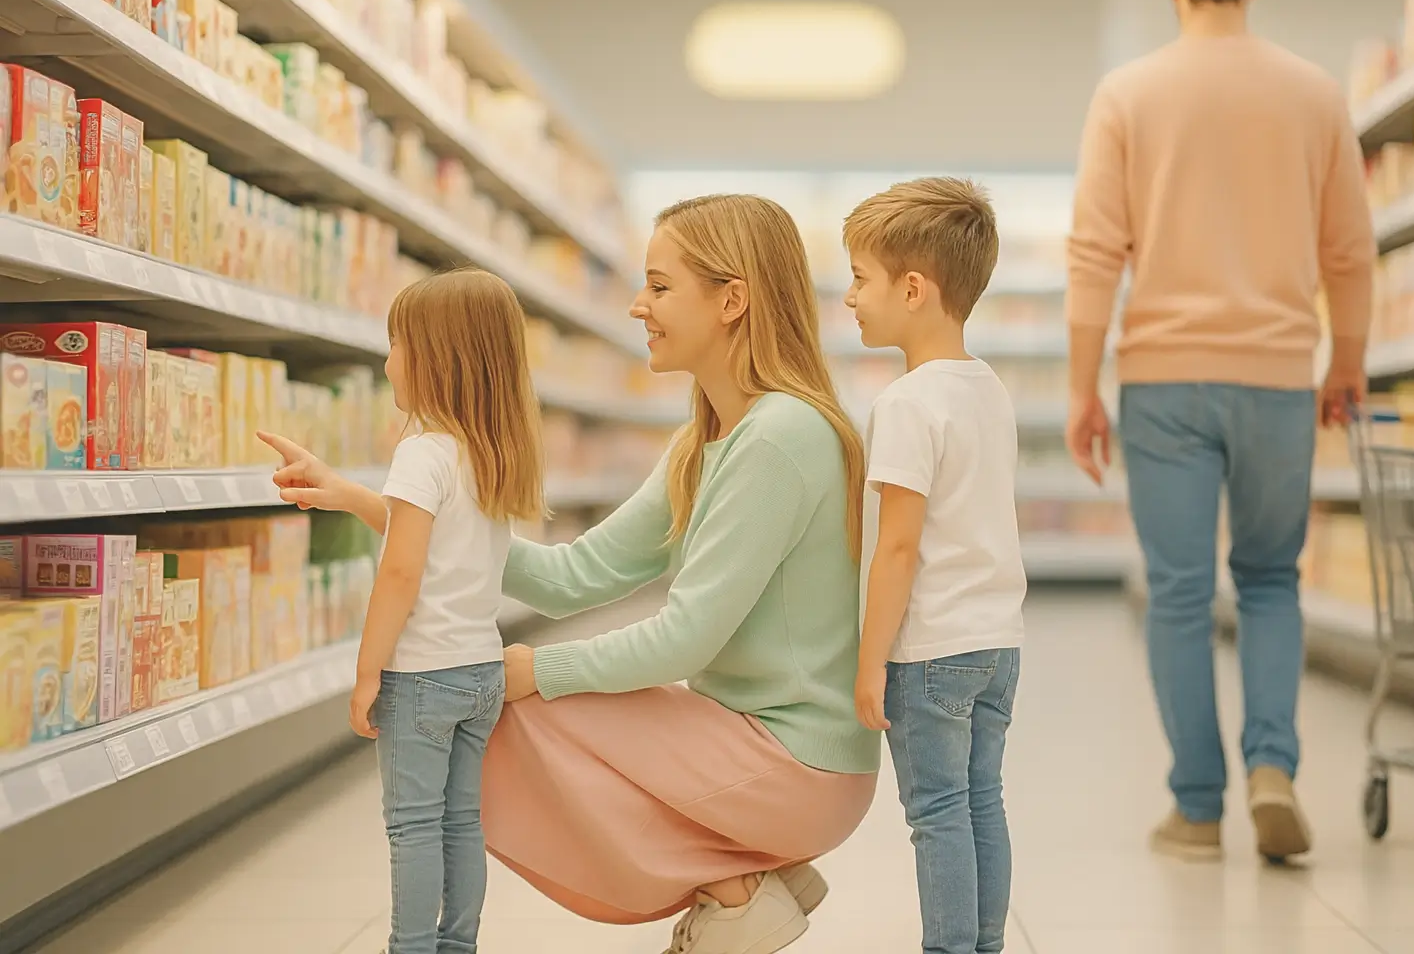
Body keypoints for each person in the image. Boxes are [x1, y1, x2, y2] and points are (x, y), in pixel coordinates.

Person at [263, 195, 880, 954]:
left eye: (659, 287)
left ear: (732, 300)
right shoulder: (708, 439)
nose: (636, 306)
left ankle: (736, 882)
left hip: (798, 765)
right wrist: (383, 506)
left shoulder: (781, 436)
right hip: (750, 743)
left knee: (501, 705)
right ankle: (740, 885)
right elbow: (570, 576)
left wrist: (533, 668)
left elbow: (684, 639)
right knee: (493, 695)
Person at [1064, 0, 1376, 864]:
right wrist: (1345, 365)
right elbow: (1350, 254)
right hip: (1278, 378)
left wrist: (1084, 388)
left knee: (1180, 593)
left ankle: (1197, 808)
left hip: (1163, 380)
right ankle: (1272, 765)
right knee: (1272, 579)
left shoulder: (1128, 94)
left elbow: (1093, 255)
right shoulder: (1315, 94)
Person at [313, 269, 543, 954]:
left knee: (411, 826)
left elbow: (404, 568)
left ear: (437, 356)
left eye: (396, 343)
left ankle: (409, 947)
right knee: (461, 821)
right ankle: (457, 945)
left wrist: (366, 671)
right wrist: (347, 494)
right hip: (479, 672)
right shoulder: (490, 452)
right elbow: (431, 537)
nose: (388, 361)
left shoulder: (421, 450)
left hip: (421, 678)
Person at [843, 178, 1027, 954]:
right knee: (982, 798)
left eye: (860, 278)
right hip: (997, 642)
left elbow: (898, 546)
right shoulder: (988, 389)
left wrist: (870, 660)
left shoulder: (908, 404)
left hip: (931, 650)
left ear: (913, 289)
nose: (849, 297)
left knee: (936, 814)